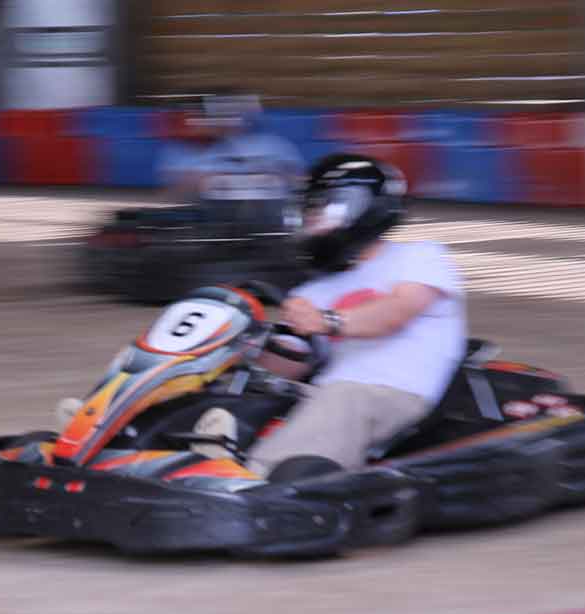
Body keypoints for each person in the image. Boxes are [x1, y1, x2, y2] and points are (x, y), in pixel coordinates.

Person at [200, 153, 467, 479]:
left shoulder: (420, 256)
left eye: (319, 209)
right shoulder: (313, 291)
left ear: (361, 207)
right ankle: (187, 456)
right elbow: (289, 364)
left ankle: (246, 481)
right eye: (308, 211)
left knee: (342, 397)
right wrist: (242, 345)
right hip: (324, 393)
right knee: (235, 391)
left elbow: (396, 312)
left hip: (392, 391)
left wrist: (327, 321)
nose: (310, 219)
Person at [157, 91, 305, 231]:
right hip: (215, 221)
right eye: (221, 114)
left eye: (234, 113)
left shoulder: (273, 145)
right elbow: (178, 192)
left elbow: (296, 179)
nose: (228, 120)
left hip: (270, 218)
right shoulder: (192, 150)